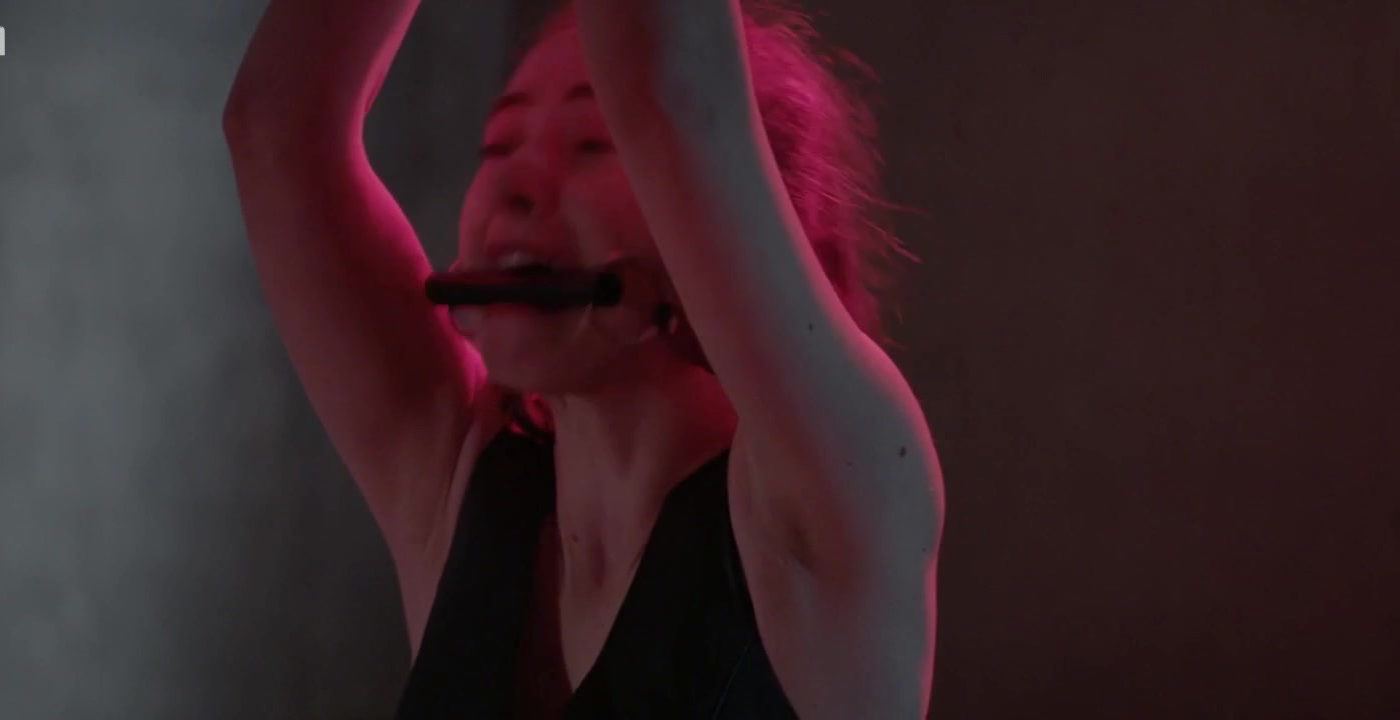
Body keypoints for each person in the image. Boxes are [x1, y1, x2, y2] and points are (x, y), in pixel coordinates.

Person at [223, 1, 944, 717]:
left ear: (742, 215)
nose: (515, 185)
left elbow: (666, 74)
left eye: (591, 144)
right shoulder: (461, 483)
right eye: (499, 145)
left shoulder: (840, 498)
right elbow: (278, 127)